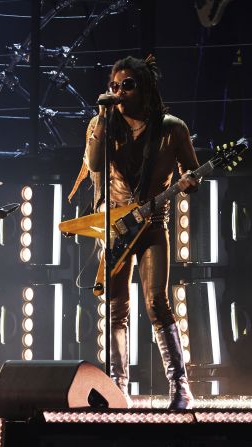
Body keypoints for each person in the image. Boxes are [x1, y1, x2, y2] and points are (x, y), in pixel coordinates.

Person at [73, 55, 198, 409]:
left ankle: (180, 387)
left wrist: (190, 182)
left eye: (127, 85)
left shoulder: (172, 128)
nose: (119, 91)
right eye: (114, 85)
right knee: (115, 308)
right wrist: (101, 117)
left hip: (153, 225)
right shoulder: (104, 125)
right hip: (114, 226)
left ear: (144, 89)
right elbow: (95, 164)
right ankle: (118, 389)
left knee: (157, 302)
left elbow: (193, 173)